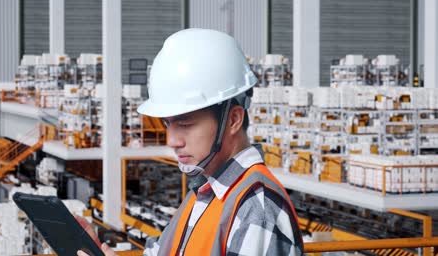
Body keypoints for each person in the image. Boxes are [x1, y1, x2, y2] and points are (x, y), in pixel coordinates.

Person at [78, 28, 303, 256]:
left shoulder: (256, 207)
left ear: (233, 119)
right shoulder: (204, 191)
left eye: (184, 124)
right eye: (168, 124)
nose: (172, 141)